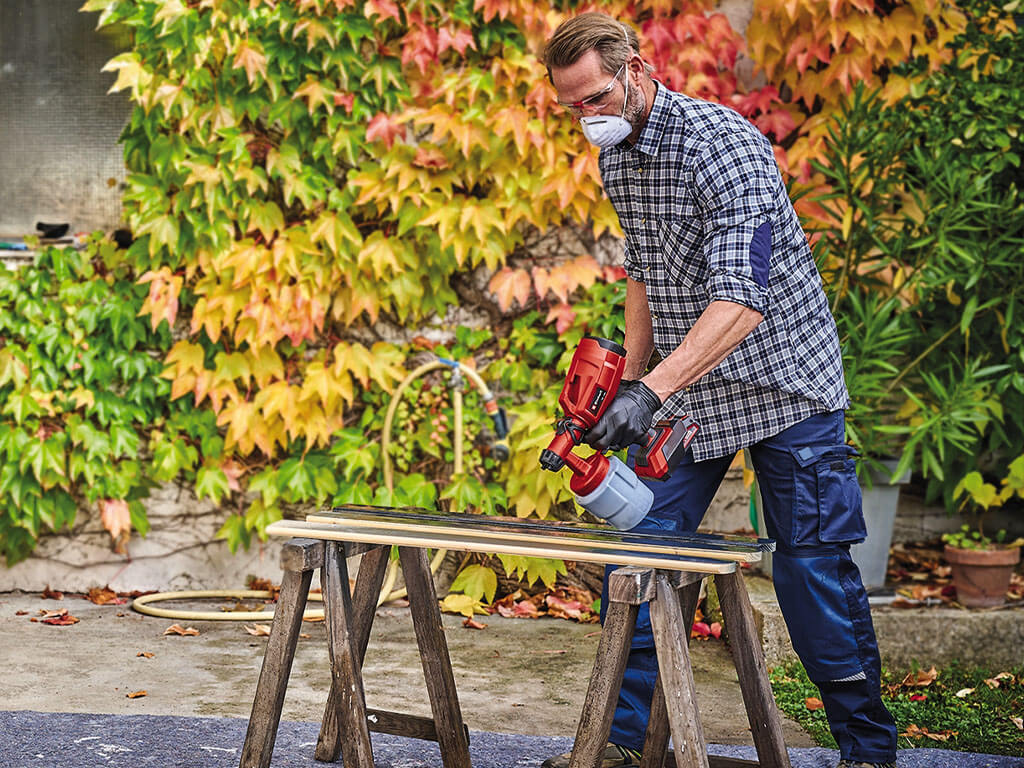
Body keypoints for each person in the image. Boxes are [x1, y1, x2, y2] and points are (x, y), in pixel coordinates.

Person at [539, 12, 898, 768]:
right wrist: (631, 385)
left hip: (784, 383)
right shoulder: (618, 162)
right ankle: (624, 745)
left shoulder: (725, 147)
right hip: (693, 392)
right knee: (639, 559)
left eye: (597, 97)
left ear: (637, 69)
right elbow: (644, 271)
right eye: (573, 107)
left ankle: (868, 752)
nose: (588, 118)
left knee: (812, 576)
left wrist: (653, 388)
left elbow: (740, 300)